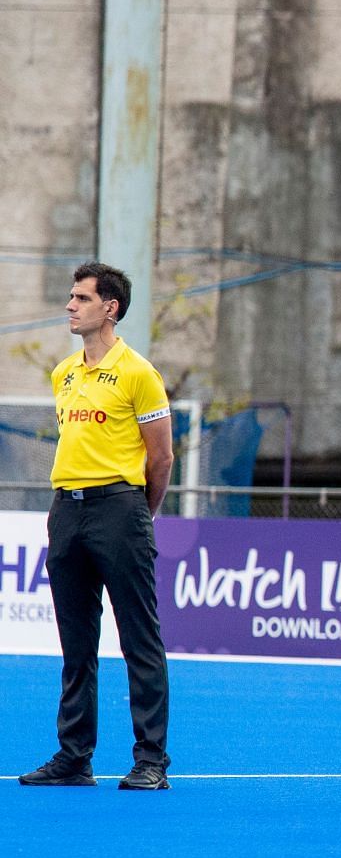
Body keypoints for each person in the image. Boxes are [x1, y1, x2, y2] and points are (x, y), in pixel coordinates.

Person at [19, 263, 175, 790]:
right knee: (76, 643)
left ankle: (151, 759)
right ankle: (74, 756)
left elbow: (162, 458)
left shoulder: (139, 373)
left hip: (119, 509)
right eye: (70, 297)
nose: (70, 305)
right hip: (67, 510)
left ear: (109, 308)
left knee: (139, 638)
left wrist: (137, 512)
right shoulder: (64, 373)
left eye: (81, 298)